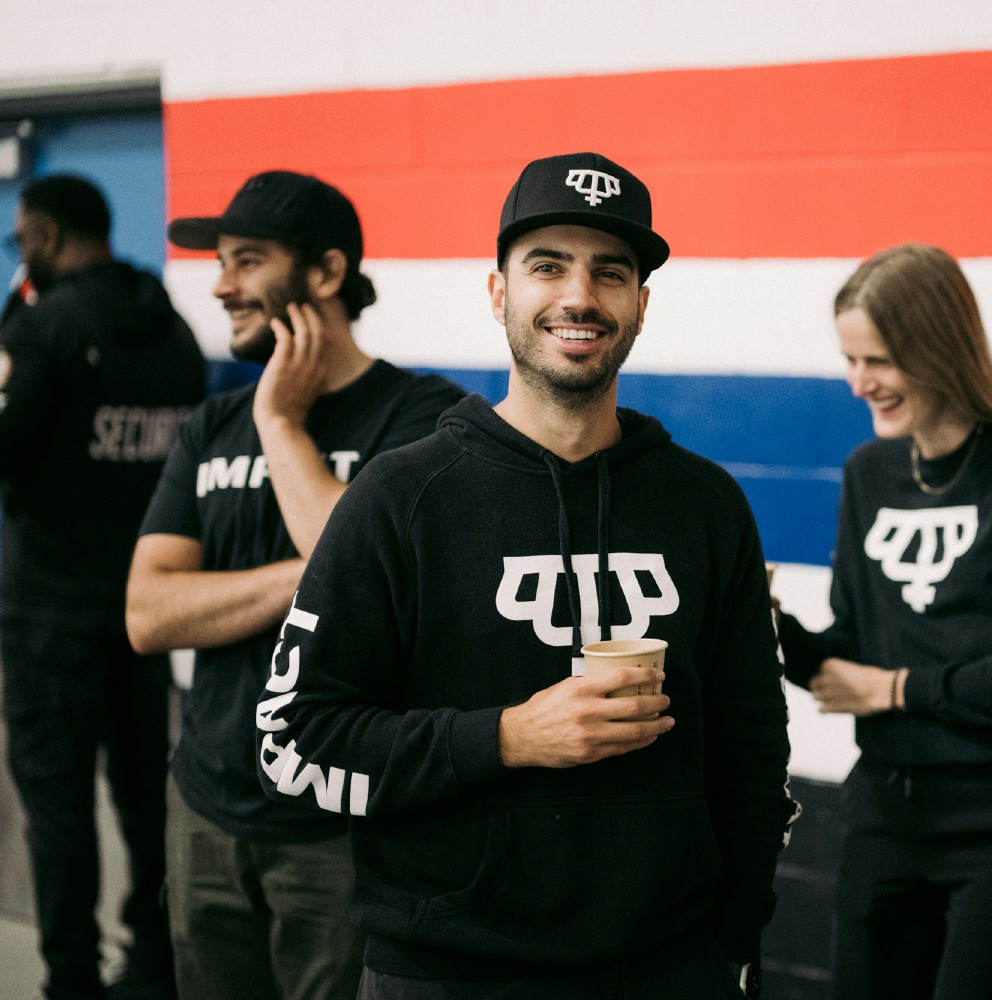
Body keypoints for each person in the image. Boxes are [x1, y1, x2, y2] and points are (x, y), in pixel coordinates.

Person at [251, 151, 796, 1000]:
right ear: (499, 292)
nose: (580, 296)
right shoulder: (400, 498)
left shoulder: (707, 504)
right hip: (444, 971)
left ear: (640, 306)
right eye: (548, 266)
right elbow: (294, 743)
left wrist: (734, 938)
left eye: (609, 273)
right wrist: (506, 737)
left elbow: (752, 752)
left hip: (670, 968)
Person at [124, 170, 465, 1000]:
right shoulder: (211, 424)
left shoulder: (425, 422)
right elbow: (147, 613)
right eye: (221, 262)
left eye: (246, 261)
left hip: (343, 829)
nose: (221, 284)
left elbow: (368, 585)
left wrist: (281, 422)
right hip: (205, 811)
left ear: (324, 273)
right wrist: (309, 575)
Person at [774, 243, 992, 999]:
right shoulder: (868, 471)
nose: (860, 384)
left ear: (939, 349)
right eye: (851, 361)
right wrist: (768, 626)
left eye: (878, 361)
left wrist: (895, 692)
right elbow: (849, 651)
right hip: (883, 812)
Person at [0, 174, 205, 1000]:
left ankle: (72, 980)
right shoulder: (174, 330)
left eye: (22, 239)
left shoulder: (45, 327)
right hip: (143, 609)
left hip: (49, 610)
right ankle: (153, 966)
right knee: (142, 791)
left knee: (56, 804)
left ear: (46, 236)